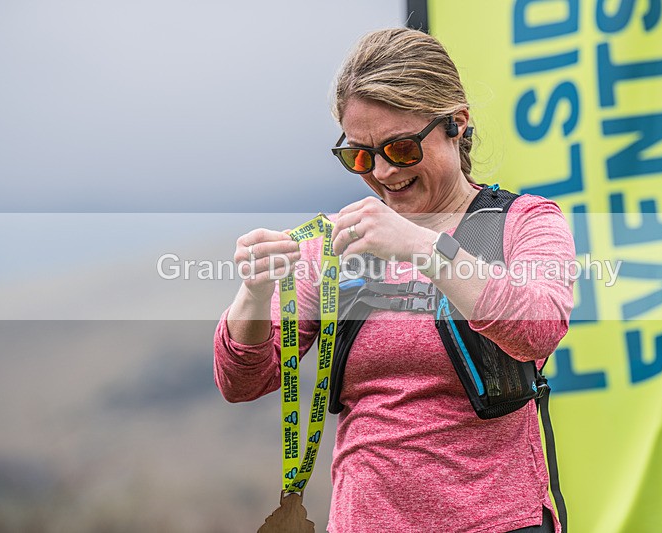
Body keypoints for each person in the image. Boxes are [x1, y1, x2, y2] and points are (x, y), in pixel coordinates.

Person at [214, 27, 575, 533]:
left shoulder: (524, 220)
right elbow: (243, 380)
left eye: (401, 149)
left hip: (498, 521)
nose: (382, 173)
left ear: (457, 123)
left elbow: (538, 327)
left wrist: (420, 246)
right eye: (360, 156)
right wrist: (252, 293)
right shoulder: (340, 243)